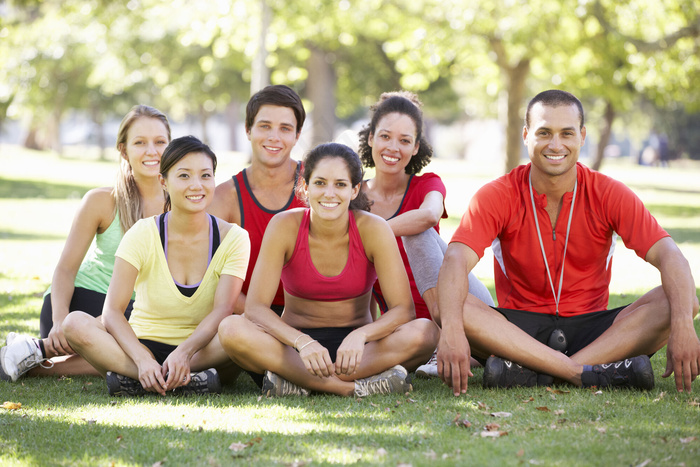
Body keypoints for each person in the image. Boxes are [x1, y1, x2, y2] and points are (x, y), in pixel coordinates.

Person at [436, 89, 700, 396]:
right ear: (526, 135)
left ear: (582, 136)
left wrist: (683, 325)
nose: (555, 144)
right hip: (520, 331)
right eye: (544, 132)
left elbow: (669, 255)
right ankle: (583, 373)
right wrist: (452, 329)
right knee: (449, 306)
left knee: (680, 301)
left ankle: (535, 372)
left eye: (566, 133)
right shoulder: (497, 194)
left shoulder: (608, 192)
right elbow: (455, 259)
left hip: (595, 332)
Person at [218, 143, 439, 397]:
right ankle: (349, 389)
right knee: (231, 329)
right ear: (305, 186)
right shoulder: (283, 226)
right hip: (296, 348)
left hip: (358, 351)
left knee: (425, 332)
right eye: (320, 183)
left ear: (355, 190)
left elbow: (403, 310)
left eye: (341, 184)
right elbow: (256, 309)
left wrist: (362, 335)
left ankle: (296, 383)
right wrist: (303, 342)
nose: (329, 193)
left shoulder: (374, 229)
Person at [62, 136, 250, 396]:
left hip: (202, 350)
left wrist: (184, 352)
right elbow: (113, 311)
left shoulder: (235, 238)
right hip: (144, 344)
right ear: (164, 182)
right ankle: (176, 379)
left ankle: (144, 380)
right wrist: (141, 359)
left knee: (237, 328)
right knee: (74, 324)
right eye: (184, 176)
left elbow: (223, 309)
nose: (197, 185)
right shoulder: (142, 233)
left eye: (206, 176)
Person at [1, 105, 171, 383]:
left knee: (155, 338)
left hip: (139, 313)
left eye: (160, 142)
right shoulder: (102, 201)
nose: (152, 151)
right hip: (82, 304)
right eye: (140, 142)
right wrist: (59, 321)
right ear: (123, 150)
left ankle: (37, 363)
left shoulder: (183, 202)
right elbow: (66, 270)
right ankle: (53, 349)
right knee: (148, 342)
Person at [357, 91, 494, 377]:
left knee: (415, 232)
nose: (393, 147)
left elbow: (430, 214)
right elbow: (362, 283)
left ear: (416, 146)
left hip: (463, 309)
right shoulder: (355, 196)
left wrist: (373, 234)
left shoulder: (427, 185)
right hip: (410, 328)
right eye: (385, 136)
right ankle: (437, 352)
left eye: (405, 140)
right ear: (370, 138)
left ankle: (462, 342)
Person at [208, 84, 307, 316]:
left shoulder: (318, 185)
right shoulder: (225, 197)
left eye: (285, 128)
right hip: (248, 316)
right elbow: (211, 280)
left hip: (311, 316)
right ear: (248, 130)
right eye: (265, 126)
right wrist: (273, 325)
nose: (274, 137)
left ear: (297, 135)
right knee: (231, 331)